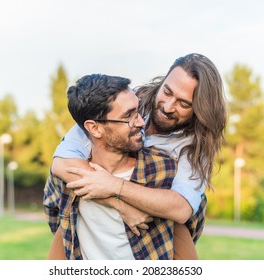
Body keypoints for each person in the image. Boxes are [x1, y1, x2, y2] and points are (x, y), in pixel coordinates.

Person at [51, 53, 227, 259]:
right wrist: (120, 203)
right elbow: (62, 163)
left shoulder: (195, 144)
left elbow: (181, 208)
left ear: (200, 109)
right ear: (163, 81)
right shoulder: (126, 102)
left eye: (184, 104)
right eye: (167, 92)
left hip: (158, 231)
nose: (168, 107)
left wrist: (116, 186)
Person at [43, 74, 178, 260]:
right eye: (128, 116)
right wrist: (120, 204)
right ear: (95, 128)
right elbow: (54, 215)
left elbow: (190, 222)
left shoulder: (165, 170)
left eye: (138, 112)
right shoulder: (67, 176)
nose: (140, 122)